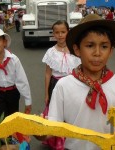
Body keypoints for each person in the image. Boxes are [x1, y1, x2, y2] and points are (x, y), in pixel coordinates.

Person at [36, 14, 115, 150]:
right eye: (90, 45)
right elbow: (53, 127)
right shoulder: (63, 86)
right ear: (77, 49)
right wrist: (39, 132)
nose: (97, 53)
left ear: (111, 51)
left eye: (104, 46)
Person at [41, 20, 81, 149]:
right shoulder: (50, 52)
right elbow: (48, 73)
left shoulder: (76, 50)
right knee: (56, 112)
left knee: (71, 111)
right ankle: (57, 140)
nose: (60, 35)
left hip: (72, 86)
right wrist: (46, 93)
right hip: (55, 85)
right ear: (53, 34)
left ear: (68, 32)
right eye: (57, 32)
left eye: (63, 32)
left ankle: (72, 138)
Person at [0, 27, 32, 118]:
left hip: (13, 92)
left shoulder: (13, 59)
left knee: (13, 119)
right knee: (1, 122)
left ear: (4, 42)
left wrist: (28, 100)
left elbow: (22, 80)